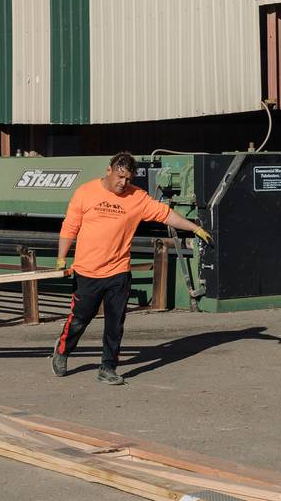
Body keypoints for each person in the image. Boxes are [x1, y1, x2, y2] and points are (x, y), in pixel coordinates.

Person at [51, 152, 210, 385]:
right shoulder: (86, 192)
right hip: (88, 272)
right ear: (109, 170)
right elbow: (70, 226)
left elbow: (165, 215)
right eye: (120, 176)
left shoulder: (137, 197)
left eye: (128, 179)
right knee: (80, 319)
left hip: (119, 272)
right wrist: (61, 258)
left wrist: (193, 228)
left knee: (115, 324)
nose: (123, 183)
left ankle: (108, 367)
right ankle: (63, 351)